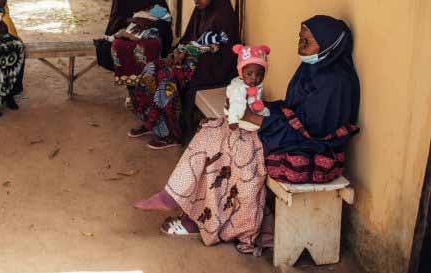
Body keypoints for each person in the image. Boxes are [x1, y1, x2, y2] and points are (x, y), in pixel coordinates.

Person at [133, 15, 360, 255]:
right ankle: (176, 196)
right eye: (300, 39)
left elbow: (313, 131)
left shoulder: (336, 83)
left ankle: (204, 221)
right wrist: (259, 111)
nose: (300, 45)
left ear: (328, 45)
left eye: (307, 41)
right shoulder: (312, 67)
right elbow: (292, 108)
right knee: (214, 128)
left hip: (310, 146)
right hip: (290, 131)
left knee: (235, 149)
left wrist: (257, 118)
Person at [127, 0, 238, 149]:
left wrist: (186, 54)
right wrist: (178, 52)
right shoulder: (200, 13)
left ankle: (171, 134)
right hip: (191, 62)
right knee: (151, 68)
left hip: (211, 69)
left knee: (166, 77)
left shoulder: (224, 18)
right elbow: (187, 40)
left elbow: (218, 52)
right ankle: (150, 121)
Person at [104, 0, 173, 105]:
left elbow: (166, 16)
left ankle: (149, 90)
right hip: (127, 29)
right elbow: (115, 17)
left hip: (150, 30)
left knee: (151, 46)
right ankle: (132, 90)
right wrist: (130, 20)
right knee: (120, 46)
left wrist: (149, 21)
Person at [225, 44, 271, 131]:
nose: (254, 78)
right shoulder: (239, 88)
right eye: (249, 74)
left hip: (251, 109)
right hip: (237, 114)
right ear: (241, 73)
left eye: (259, 74)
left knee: (268, 114)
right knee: (261, 127)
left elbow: (256, 97)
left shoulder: (256, 85)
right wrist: (233, 120)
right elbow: (236, 104)